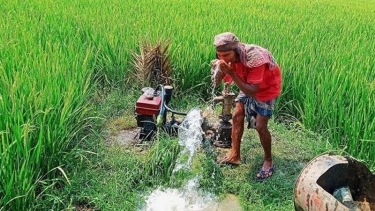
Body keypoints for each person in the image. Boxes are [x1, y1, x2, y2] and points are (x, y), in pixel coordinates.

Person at [210, 32, 282, 181]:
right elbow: (215, 84)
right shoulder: (225, 59)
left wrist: (230, 72)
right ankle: (235, 155)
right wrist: (217, 71)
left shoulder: (255, 58)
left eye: (227, 55)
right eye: (219, 55)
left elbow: (252, 90)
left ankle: (268, 160)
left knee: (260, 126)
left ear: (236, 50)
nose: (223, 59)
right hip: (247, 83)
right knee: (237, 115)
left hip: (266, 87)